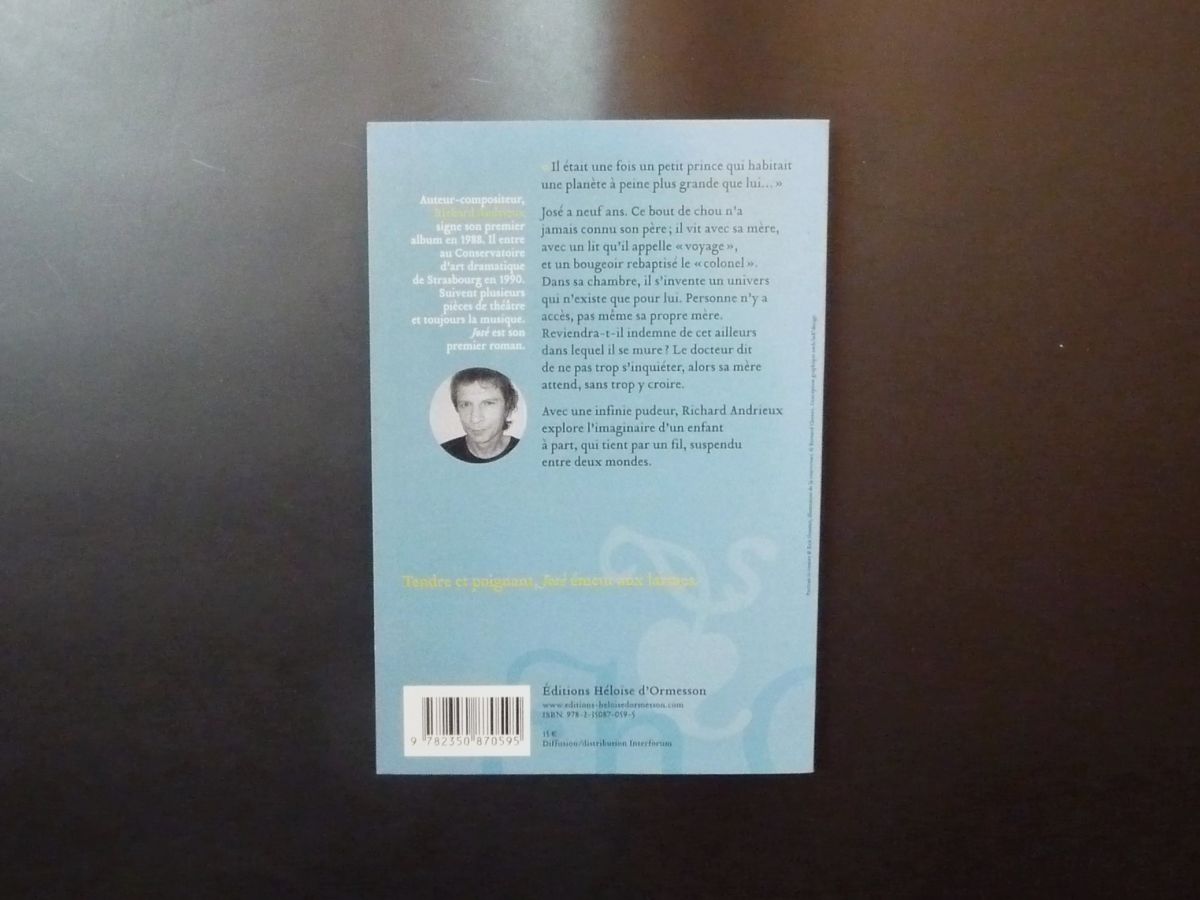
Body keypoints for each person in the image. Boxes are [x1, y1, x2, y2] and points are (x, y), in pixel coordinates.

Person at [440, 367, 520, 463]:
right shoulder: (443, 454)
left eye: (488, 403)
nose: (475, 419)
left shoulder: (527, 453)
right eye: (466, 404)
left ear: (507, 407)